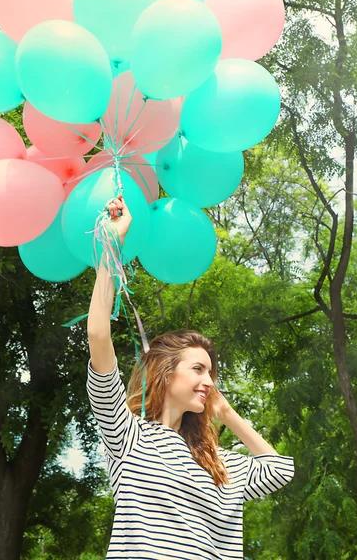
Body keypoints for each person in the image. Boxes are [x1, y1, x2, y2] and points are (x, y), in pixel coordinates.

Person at [86, 193, 295, 560]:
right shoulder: (130, 438)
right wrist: (112, 247)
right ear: (166, 375)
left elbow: (278, 469)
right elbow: (99, 336)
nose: (208, 380)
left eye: (211, 372)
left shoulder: (217, 460)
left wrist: (226, 414)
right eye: (198, 369)